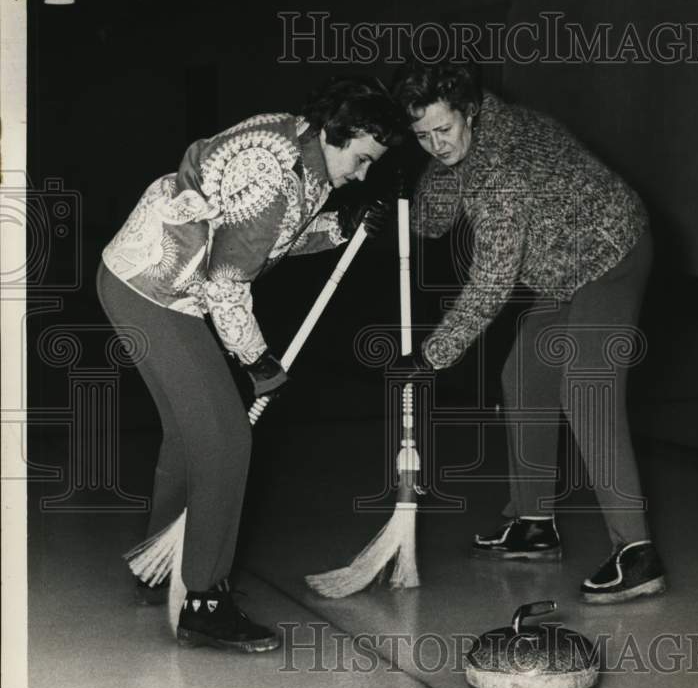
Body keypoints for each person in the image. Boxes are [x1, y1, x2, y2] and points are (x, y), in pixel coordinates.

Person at [98, 77, 404, 651]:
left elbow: (274, 237)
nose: (363, 174)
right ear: (344, 132)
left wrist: (342, 226)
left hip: (147, 279)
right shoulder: (275, 172)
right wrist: (258, 361)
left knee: (189, 438)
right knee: (227, 439)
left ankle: (156, 566)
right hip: (157, 292)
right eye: (362, 160)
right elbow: (228, 280)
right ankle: (204, 601)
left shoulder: (303, 148)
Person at [392, 61, 665, 604]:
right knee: (524, 377)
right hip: (562, 267)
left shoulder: (501, 165)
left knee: (587, 389)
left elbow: (492, 280)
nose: (436, 144)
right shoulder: (469, 132)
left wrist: (431, 356)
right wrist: (406, 201)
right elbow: (435, 215)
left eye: (443, 130)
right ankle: (533, 522)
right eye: (421, 136)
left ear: (468, 111)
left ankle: (637, 553)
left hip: (612, 253)